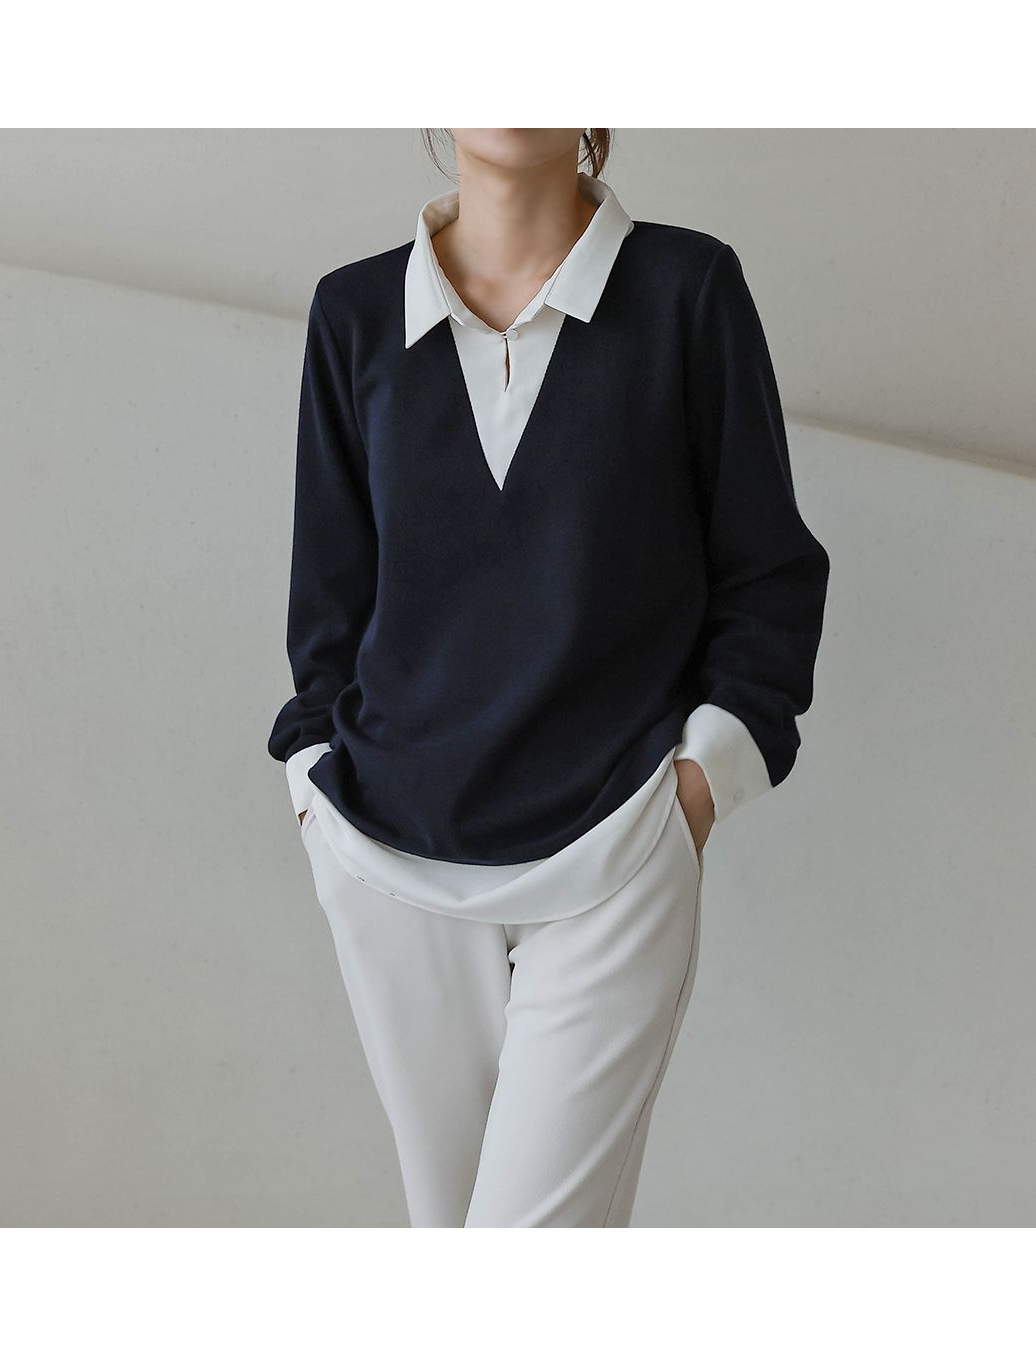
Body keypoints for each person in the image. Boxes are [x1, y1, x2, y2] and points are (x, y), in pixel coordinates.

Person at [267, 128, 830, 1226]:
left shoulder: (685, 290)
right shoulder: (354, 313)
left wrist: (697, 787)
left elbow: (767, 571)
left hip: (613, 855)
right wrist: (311, 784)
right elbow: (328, 605)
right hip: (387, 862)